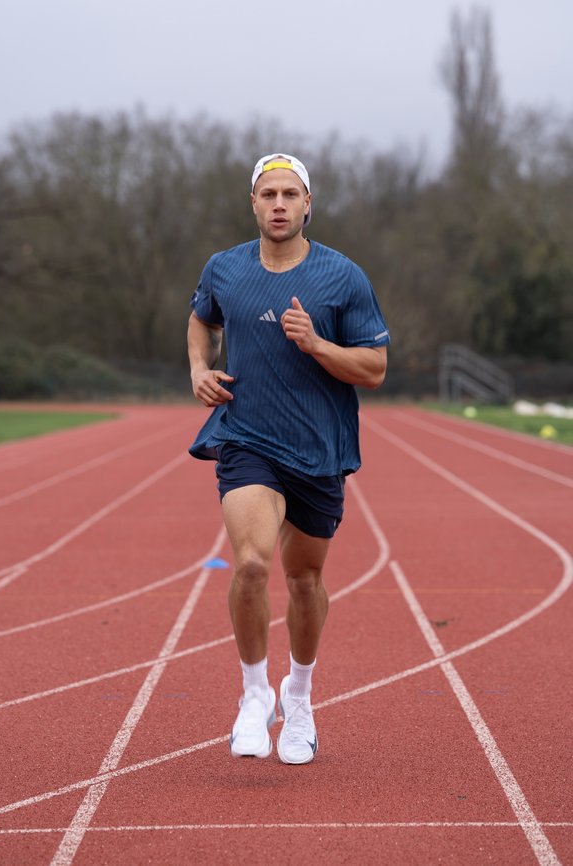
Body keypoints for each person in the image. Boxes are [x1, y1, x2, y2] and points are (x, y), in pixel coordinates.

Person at [187, 153, 389, 764]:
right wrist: (199, 367)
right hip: (247, 437)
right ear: (253, 202)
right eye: (268, 193)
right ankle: (254, 695)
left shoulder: (342, 277)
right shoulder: (224, 269)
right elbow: (200, 320)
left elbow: (375, 369)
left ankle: (297, 697)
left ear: (307, 203)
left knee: (304, 581)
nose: (278, 204)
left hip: (319, 449)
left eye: (290, 194)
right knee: (249, 563)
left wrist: (318, 344)